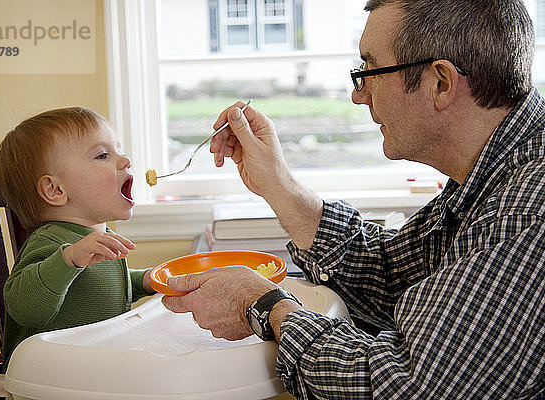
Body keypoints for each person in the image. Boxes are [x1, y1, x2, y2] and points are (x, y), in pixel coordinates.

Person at [162, 0, 545, 398]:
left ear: (441, 83)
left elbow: (401, 385)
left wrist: (263, 305)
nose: (358, 96)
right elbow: (387, 275)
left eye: (370, 71)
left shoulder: (529, 211)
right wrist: (278, 184)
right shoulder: (494, 175)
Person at [0, 107, 155, 369]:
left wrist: (146, 280)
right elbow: (23, 308)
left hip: (93, 372)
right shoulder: (51, 242)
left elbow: (100, 287)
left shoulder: (98, 238)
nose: (125, 160)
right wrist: (68, 259)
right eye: (103, 155)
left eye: (118, 150)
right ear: (55, 190)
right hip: (49, 380)